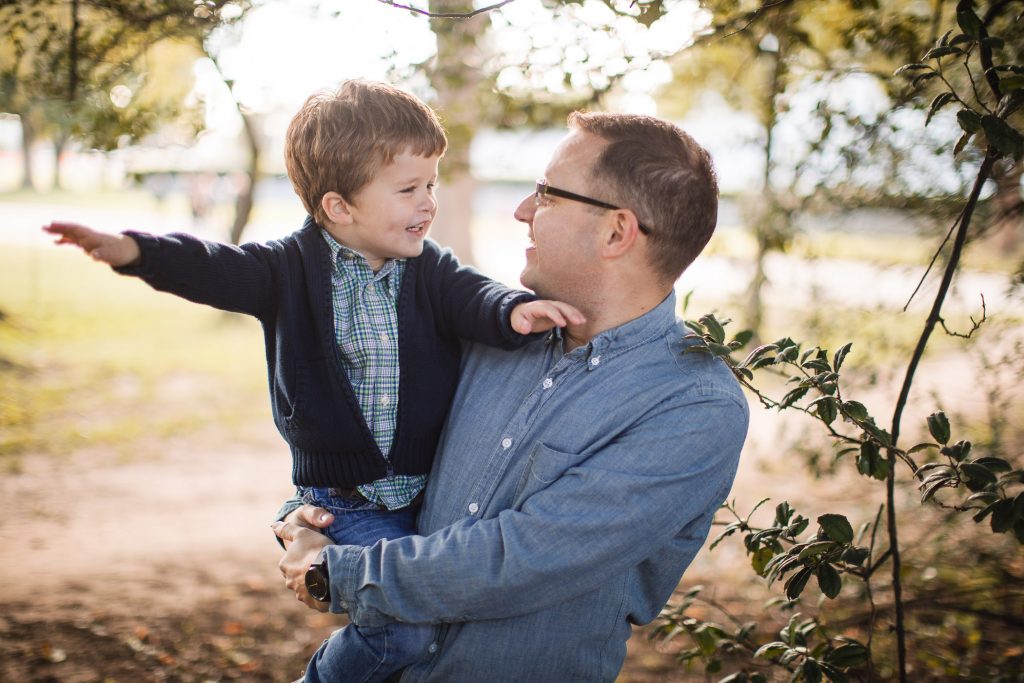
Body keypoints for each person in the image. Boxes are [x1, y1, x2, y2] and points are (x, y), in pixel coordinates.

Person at [43, 79, 583, 683]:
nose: (428, 202)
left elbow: (475, 296)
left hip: (426, 496)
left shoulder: (429, 268)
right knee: (403, 632)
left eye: (430, 183)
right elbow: (212, 268)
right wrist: (135, 252)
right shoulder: (286, 271)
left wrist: (514, 311)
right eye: (408, 189)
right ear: (339, 207)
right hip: (345, 502)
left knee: (443, 616)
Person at [273, 110, 750, 681]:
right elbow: (370, 447)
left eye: (547, 195)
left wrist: (339, 572)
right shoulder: (491, 332)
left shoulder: (693, 407)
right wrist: (309, 520)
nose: (523, 210)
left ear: (616, 232)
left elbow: (522, 559)